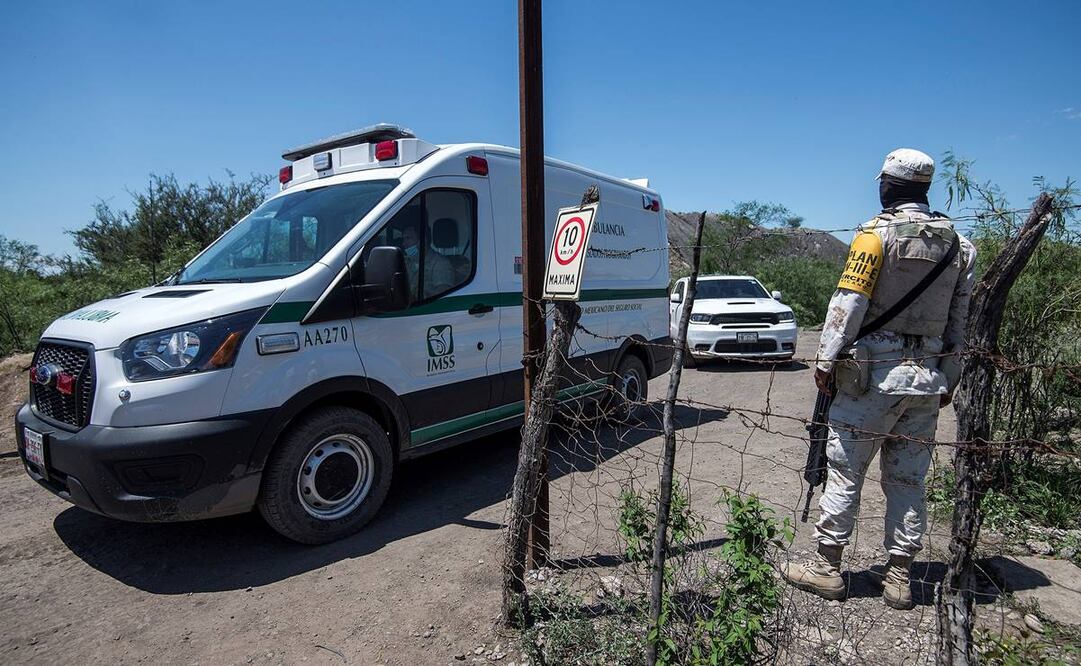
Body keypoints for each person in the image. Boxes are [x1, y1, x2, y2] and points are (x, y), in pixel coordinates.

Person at [781, 148, 977, 610]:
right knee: (908, 480)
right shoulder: (960, 247)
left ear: (888, 185)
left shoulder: (874, 236)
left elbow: (848, 303)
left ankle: (827, 567)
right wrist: (949, 378)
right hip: (926, 379)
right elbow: (960, 322)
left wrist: (825, 361)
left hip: (871, 378)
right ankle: (899, 577)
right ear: (925, 189)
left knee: (845, 470)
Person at [399, 224, 455, 300]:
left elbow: (442, 294)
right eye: (403, 239)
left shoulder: (440, 263)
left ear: (423, 241)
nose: (404, 243)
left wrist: (421, 294)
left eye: (408, 238)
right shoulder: (407, 261)